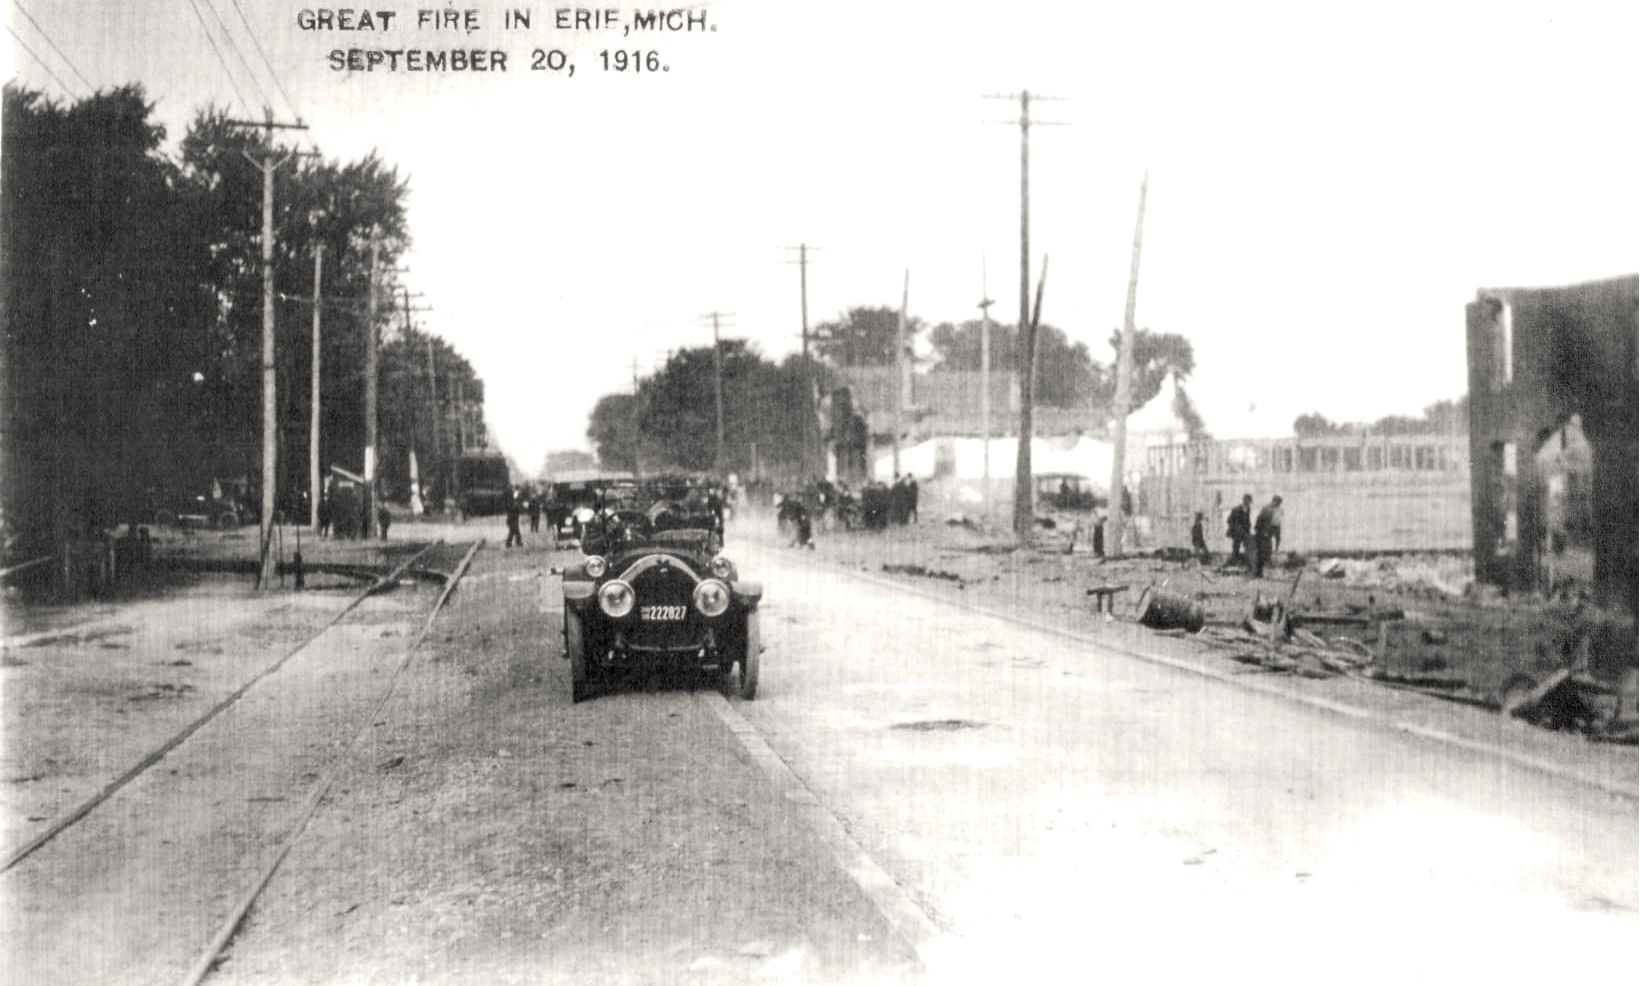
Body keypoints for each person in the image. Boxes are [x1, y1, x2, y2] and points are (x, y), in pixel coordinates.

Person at [1252, 495, 1283, 578]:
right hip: (1262, 533)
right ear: (1273, 501)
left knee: (1267, 552)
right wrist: (1263, 532)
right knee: (1262, 552)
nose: (1278, 505)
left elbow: (1277, 523)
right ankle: (1258, 572)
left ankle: (1262, 571)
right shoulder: (1266, 509)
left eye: (1279, 503)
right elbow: (1259, 521)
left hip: (1269, 532)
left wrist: (1278, 536)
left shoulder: (1278, 510)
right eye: (1277, 502)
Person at [1226, 494, 1253, 565]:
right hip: (1237, 533)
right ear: (1244, 500)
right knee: (1236, 547)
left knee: (1247, 545)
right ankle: (1234, 560)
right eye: (1247, 501)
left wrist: (1249, 526)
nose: (1249, 503)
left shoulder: (1248, 509)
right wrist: (1237, 528)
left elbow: (1247, 520)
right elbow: (1229, 520)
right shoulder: (1236, 509)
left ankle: (1247, 561)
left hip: (1244, 532)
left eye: (1249, 502)